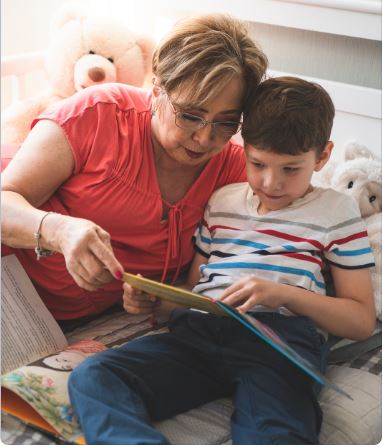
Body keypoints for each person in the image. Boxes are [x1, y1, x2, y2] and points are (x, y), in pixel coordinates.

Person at [67, 76, 376, 444]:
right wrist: (155, 301)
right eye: (257, 163)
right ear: (243, 147)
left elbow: (359, 320)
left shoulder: (336, 210)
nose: (270, 182)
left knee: (275, 433)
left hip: (279, 343)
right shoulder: (222, 201)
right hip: (201, 332)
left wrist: (282, 295)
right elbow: (194, 286)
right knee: (93, 377)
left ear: (322, 156)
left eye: (290, 169)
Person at [1, 14, 268, 322]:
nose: (205, 138)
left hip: (74, 321)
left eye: (226, 122)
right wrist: (59, 231)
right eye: (190, 115)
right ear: (156, 91)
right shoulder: (97, 114)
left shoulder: (236, 166)